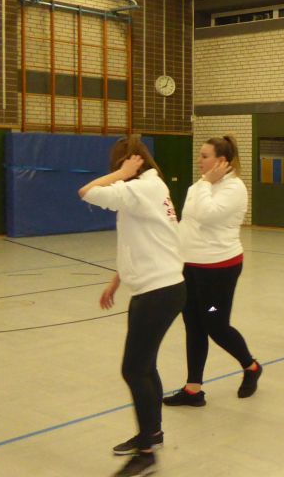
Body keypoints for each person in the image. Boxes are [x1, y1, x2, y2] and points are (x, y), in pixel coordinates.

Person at [79, 135, 185, 477]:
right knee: (144, 366)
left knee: (134, 369)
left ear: (130, 164)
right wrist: (118, 279)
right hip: (159, 288)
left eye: (120, 165)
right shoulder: (152, 188)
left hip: (158, 292)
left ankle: (146, 454)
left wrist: (121, 174)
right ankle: (151, 434)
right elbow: (143, 239)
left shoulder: (140, 189)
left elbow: (87, 191)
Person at [163, 135, 260, 408]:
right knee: (193, 325)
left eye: (204, 156)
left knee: (215, 324)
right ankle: (193, 389)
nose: (199, 160)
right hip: (191, 267)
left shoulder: (234, 188)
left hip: (219, 270)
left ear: (221, 161)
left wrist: (206, 183)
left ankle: (251, 366)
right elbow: (188, 222)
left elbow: (207, 214)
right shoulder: (199, 186)